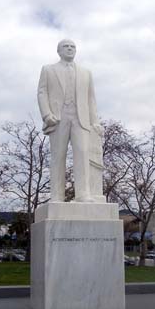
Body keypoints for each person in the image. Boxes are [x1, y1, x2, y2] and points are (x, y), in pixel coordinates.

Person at [37, 39, 103, 202]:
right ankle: (57, 196)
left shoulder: (86, 72)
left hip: (81, 118)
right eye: (66, 47)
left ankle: (83, 194)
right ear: (58, 51)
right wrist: (46, 114)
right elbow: (42, 93)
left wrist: (95, 121)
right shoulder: (48, 69)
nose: (70, 49)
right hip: (58, 118)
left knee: (82, 153)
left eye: (72, 47)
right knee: (58, 156)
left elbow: (91, 99)